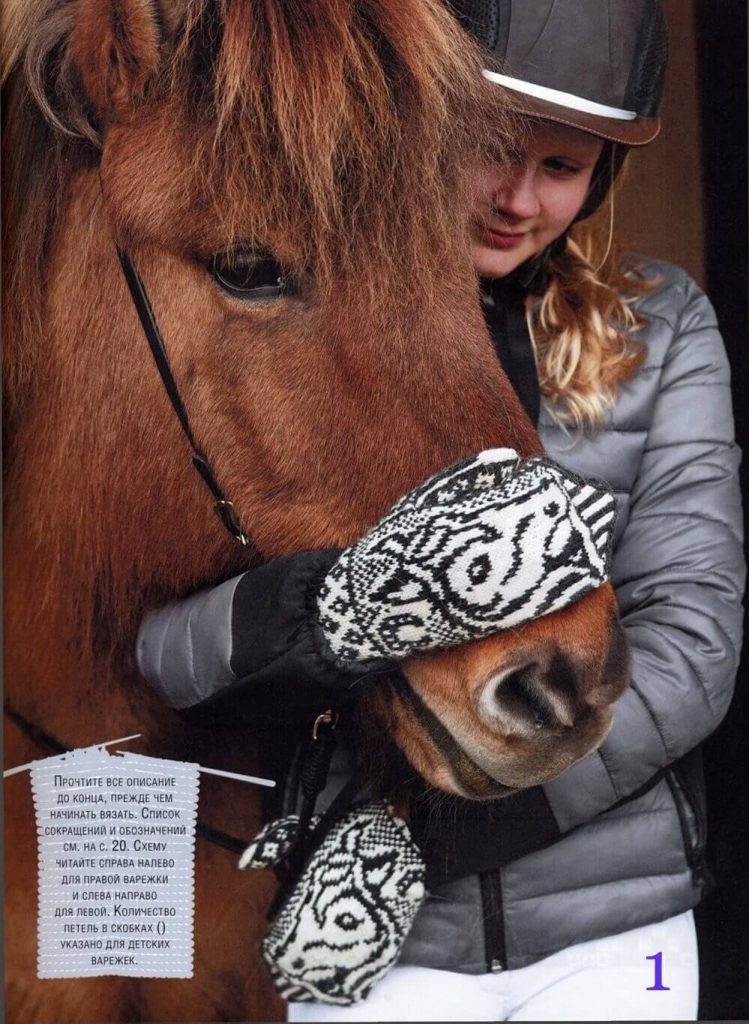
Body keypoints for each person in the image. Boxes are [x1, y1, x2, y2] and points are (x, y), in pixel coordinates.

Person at [136, 1, 745, 1019]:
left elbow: (694, 635)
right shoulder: (285, 328)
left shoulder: (661, 322)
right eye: (492, 148)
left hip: (616, 932)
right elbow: (165, 653)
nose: (518, 199)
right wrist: (323, 611)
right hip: (378, 951)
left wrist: (430, 839)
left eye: (562, 167)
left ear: (602, 177)